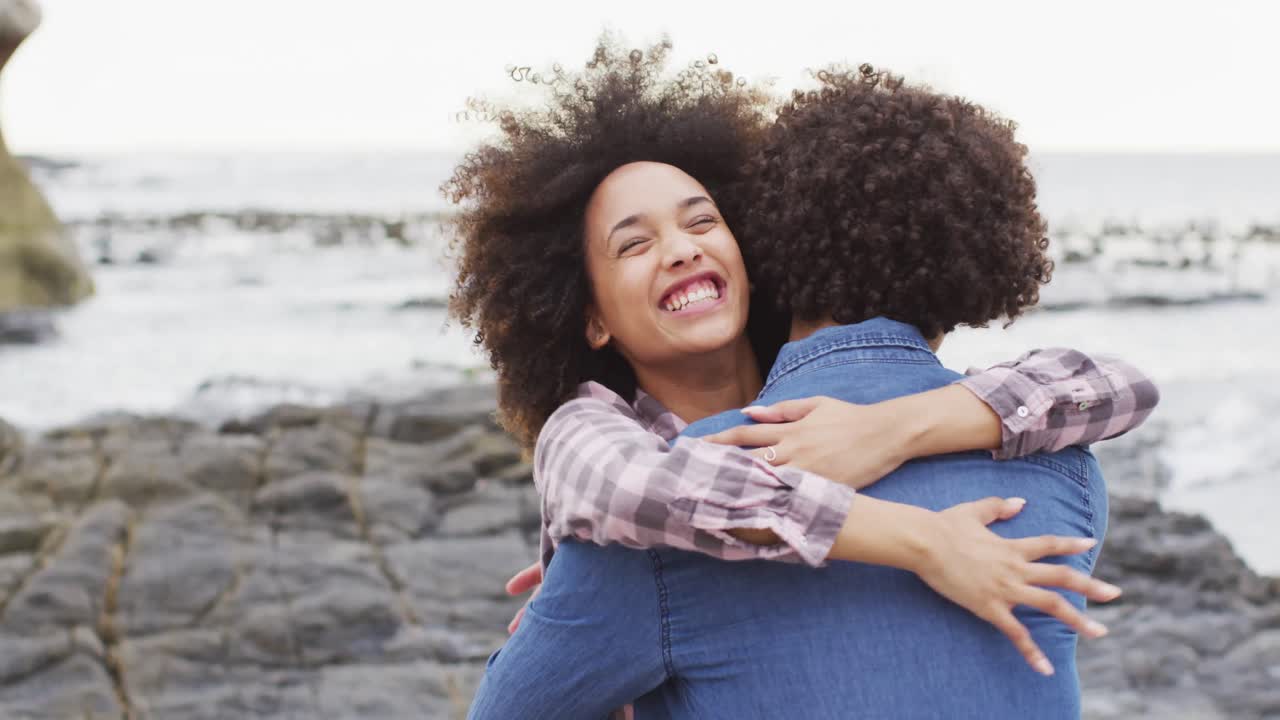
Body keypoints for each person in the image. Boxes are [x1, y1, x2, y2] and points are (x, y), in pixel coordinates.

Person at [447, 41, 1157, 719]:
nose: (681, 249)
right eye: (633, 244)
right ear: (588, 314)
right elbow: (642, 492)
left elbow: (1115, 384)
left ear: (761, 246)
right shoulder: (1064, 473)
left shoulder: (644, 560)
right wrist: (922, 539)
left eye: (703, 220)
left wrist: (891, 431)